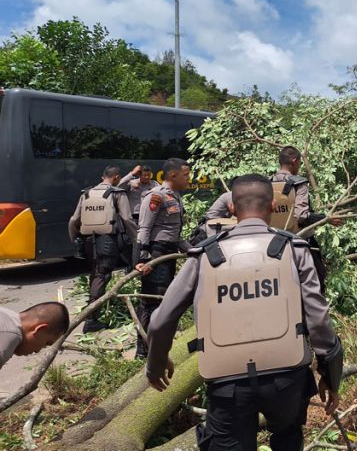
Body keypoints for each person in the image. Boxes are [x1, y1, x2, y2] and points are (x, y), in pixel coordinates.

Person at [145, 174, 343, 451]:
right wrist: (330, 375)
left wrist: (155, 364)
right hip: (288, 379)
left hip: (227, 385)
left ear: (231, 208)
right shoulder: (295, 249)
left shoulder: (204, 256)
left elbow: (160, 321)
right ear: (273, 206)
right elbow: (319, 318)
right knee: (288, 439)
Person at [68, 165, 137, 333]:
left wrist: (75, 239)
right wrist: (137, 239)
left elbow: (73, 220)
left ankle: (92, 310)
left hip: (88, 241)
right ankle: (91, 319)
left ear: (102, 177)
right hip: (107, 241)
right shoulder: (116, 193)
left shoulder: (86, 193)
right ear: (116, 178)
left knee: (95, 274)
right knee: (102, 275)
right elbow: (127, 219)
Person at [133, 158, 191, 359]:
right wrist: (141, 260)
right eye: (186, 175)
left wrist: (192, 250)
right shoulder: (155, 196)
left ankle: (156, 347)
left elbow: (173, 232)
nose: (189, 178)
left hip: (168, 252)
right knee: (152, 302)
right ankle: (144, 351)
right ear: (173, 175)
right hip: (155, 255)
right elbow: (144, 229)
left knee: (163, 301)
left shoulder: (174, 196)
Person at [271, 146, 341, 293]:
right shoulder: (298, 183)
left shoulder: (267, 184)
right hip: (301, 242)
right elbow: (301, 216)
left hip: (274, 245)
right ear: (294, 161)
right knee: (317, 283)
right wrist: (326, 219)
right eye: (300, 164)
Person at [1, 302, 70, 369]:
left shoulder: (5, 314)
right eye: (46, 344)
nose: (38, 351)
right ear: (39, 329)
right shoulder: (10, 336)